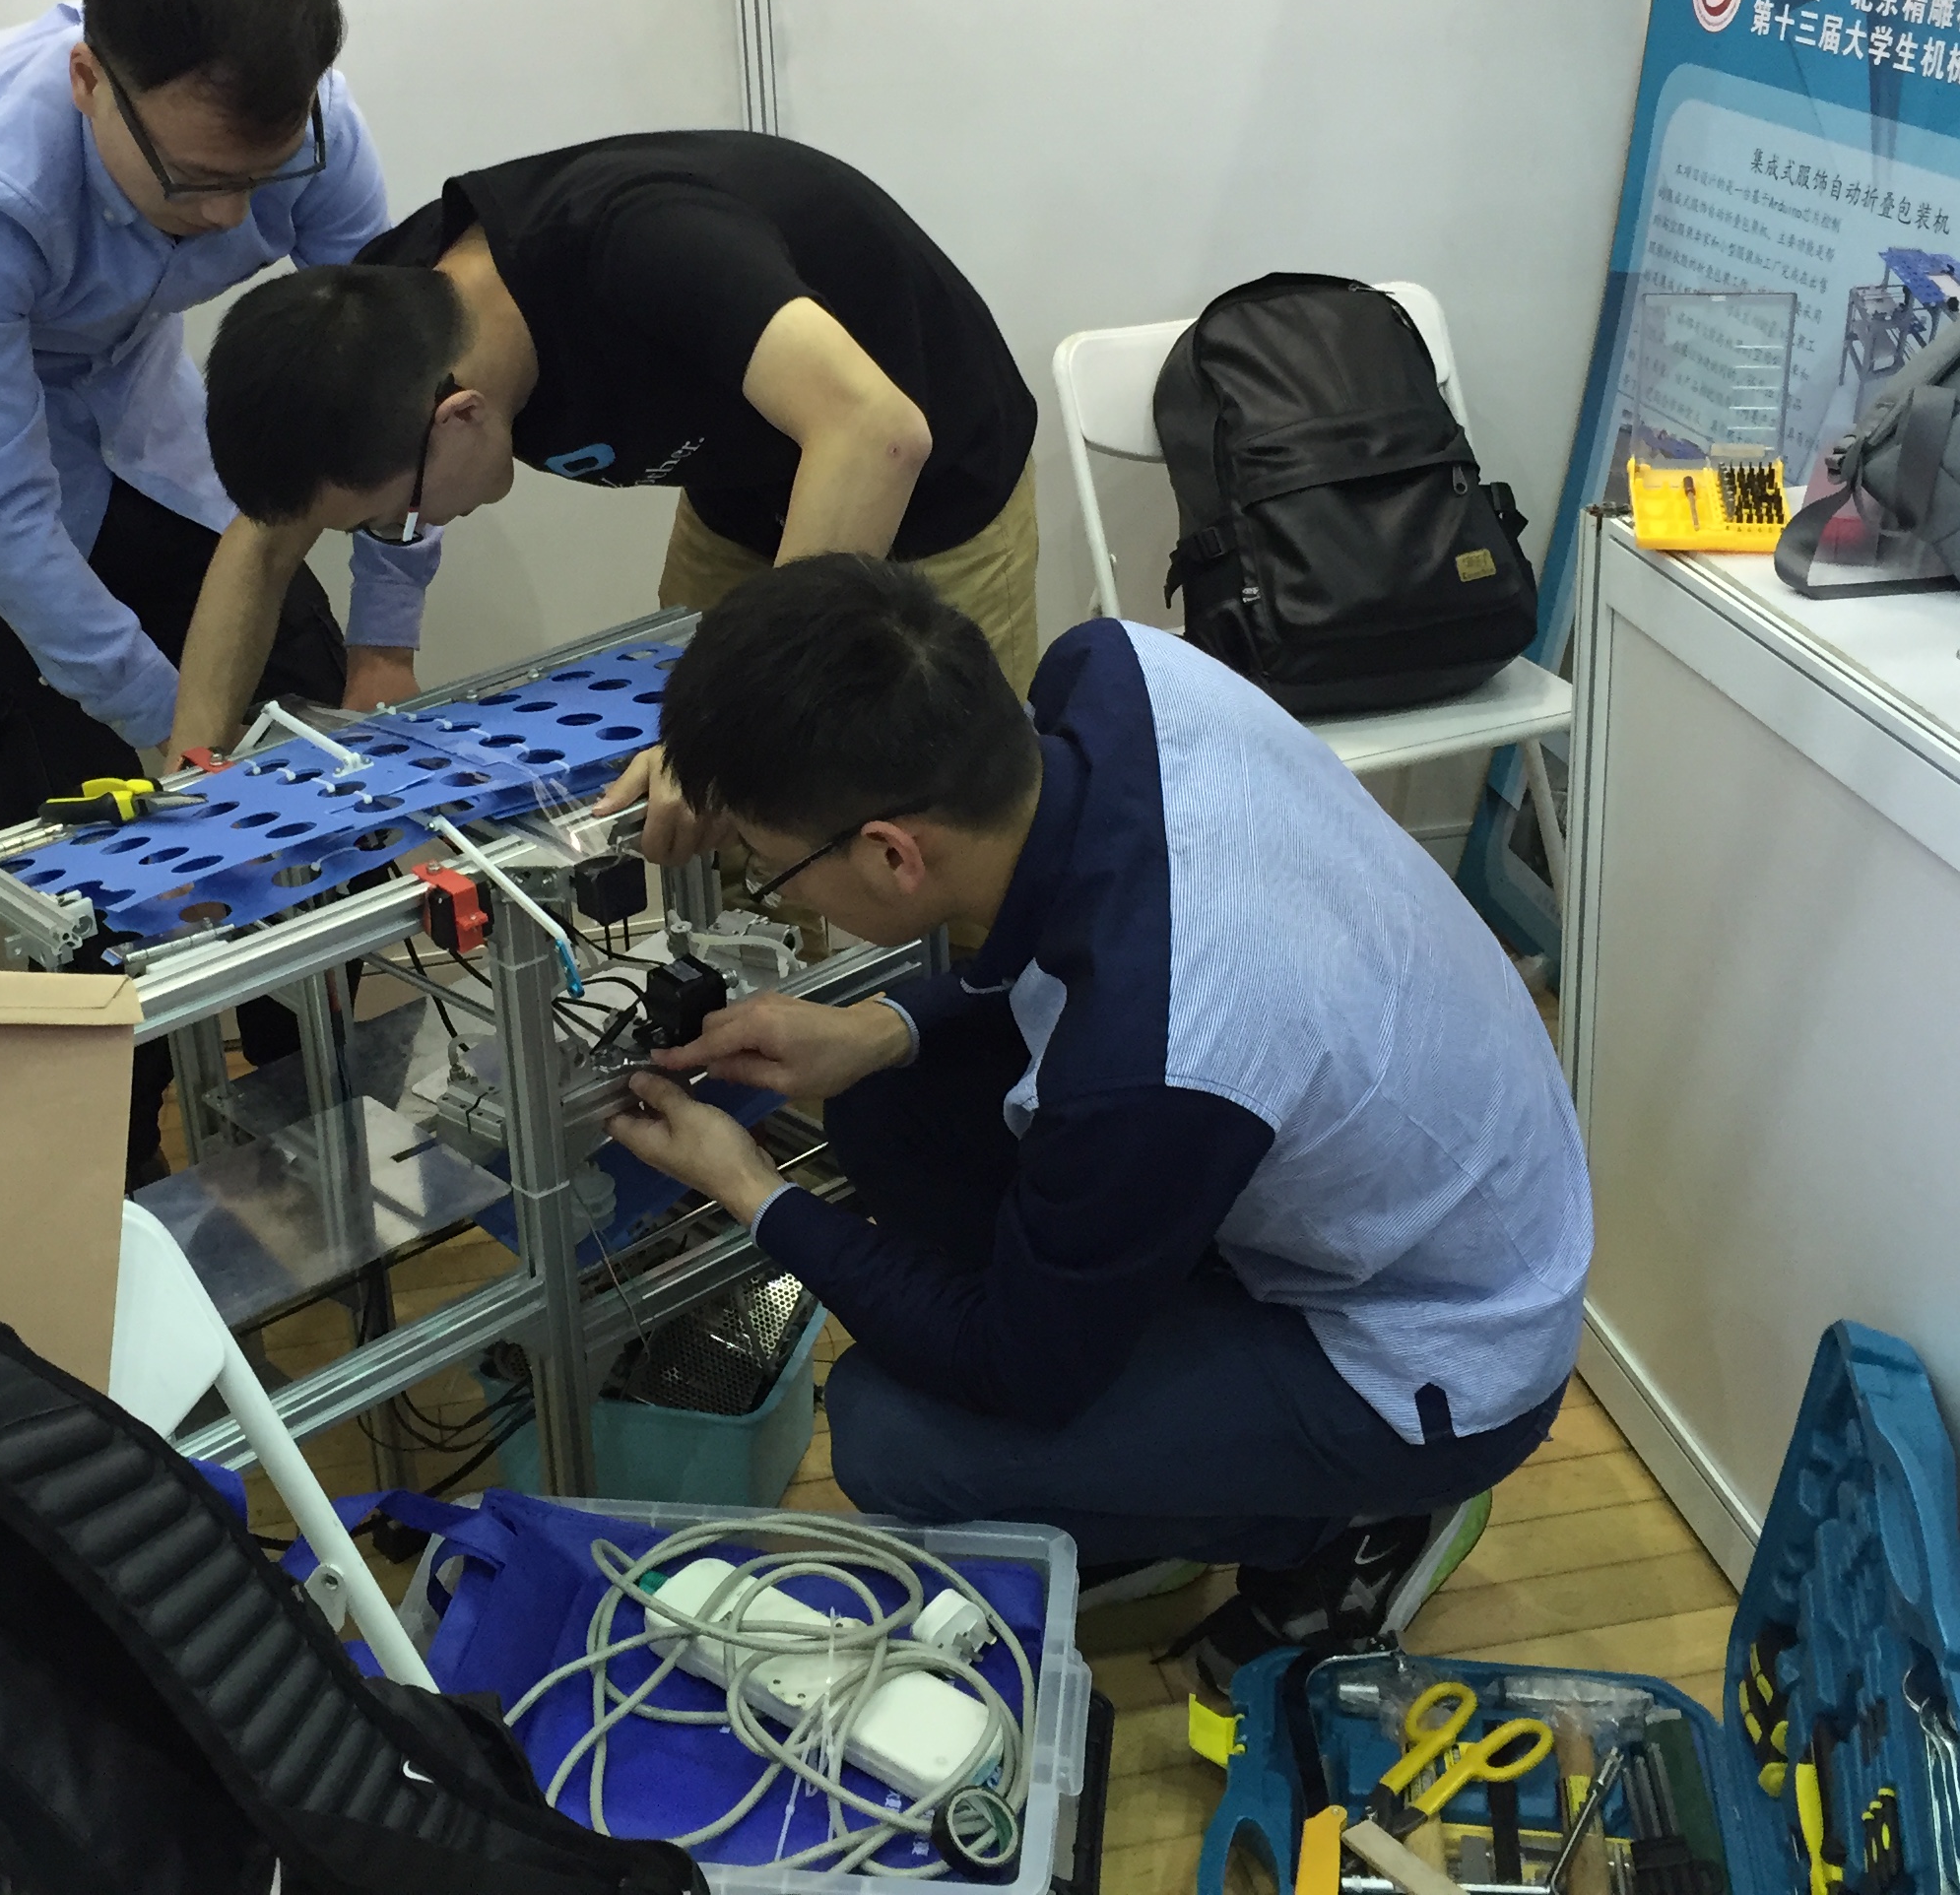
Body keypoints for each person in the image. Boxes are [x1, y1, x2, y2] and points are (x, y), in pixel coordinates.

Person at [600, 555, 1592, 1693]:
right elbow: (1073, 931)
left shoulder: (1159, 1055)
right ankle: (1158, 1469)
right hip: (1421, 1159)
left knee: (892, 1433)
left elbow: (1015, 1367)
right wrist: (881, 1031)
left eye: (773, 871)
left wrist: (749, 1187)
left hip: (1438, 1352)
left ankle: (1351, 1522)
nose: (776, 889)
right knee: (893, 1109)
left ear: (891, 852)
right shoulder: (1117, 674)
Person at [0, 0, 439, 1179]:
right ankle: (118, 1201)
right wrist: (173, 731)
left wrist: (385, 641)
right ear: (88, 82)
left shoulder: (314, 129)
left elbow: (395, 396)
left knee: (307, 754)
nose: (230, 217)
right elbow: (2, 507)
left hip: (151, 440)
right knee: (83, 855)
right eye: (196, 180)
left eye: (259, 179)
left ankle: (317, 1135)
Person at [186, 131, 1039, 853]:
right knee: (711, 828)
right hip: (747, 490)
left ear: (459, 416)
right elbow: (262, 542)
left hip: (928, 480)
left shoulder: (639, 246)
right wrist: (191, 796)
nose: (413, 529)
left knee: (938, 833)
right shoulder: (375, 328)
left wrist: (736, 719)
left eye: (395, 519)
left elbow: (876, 432)